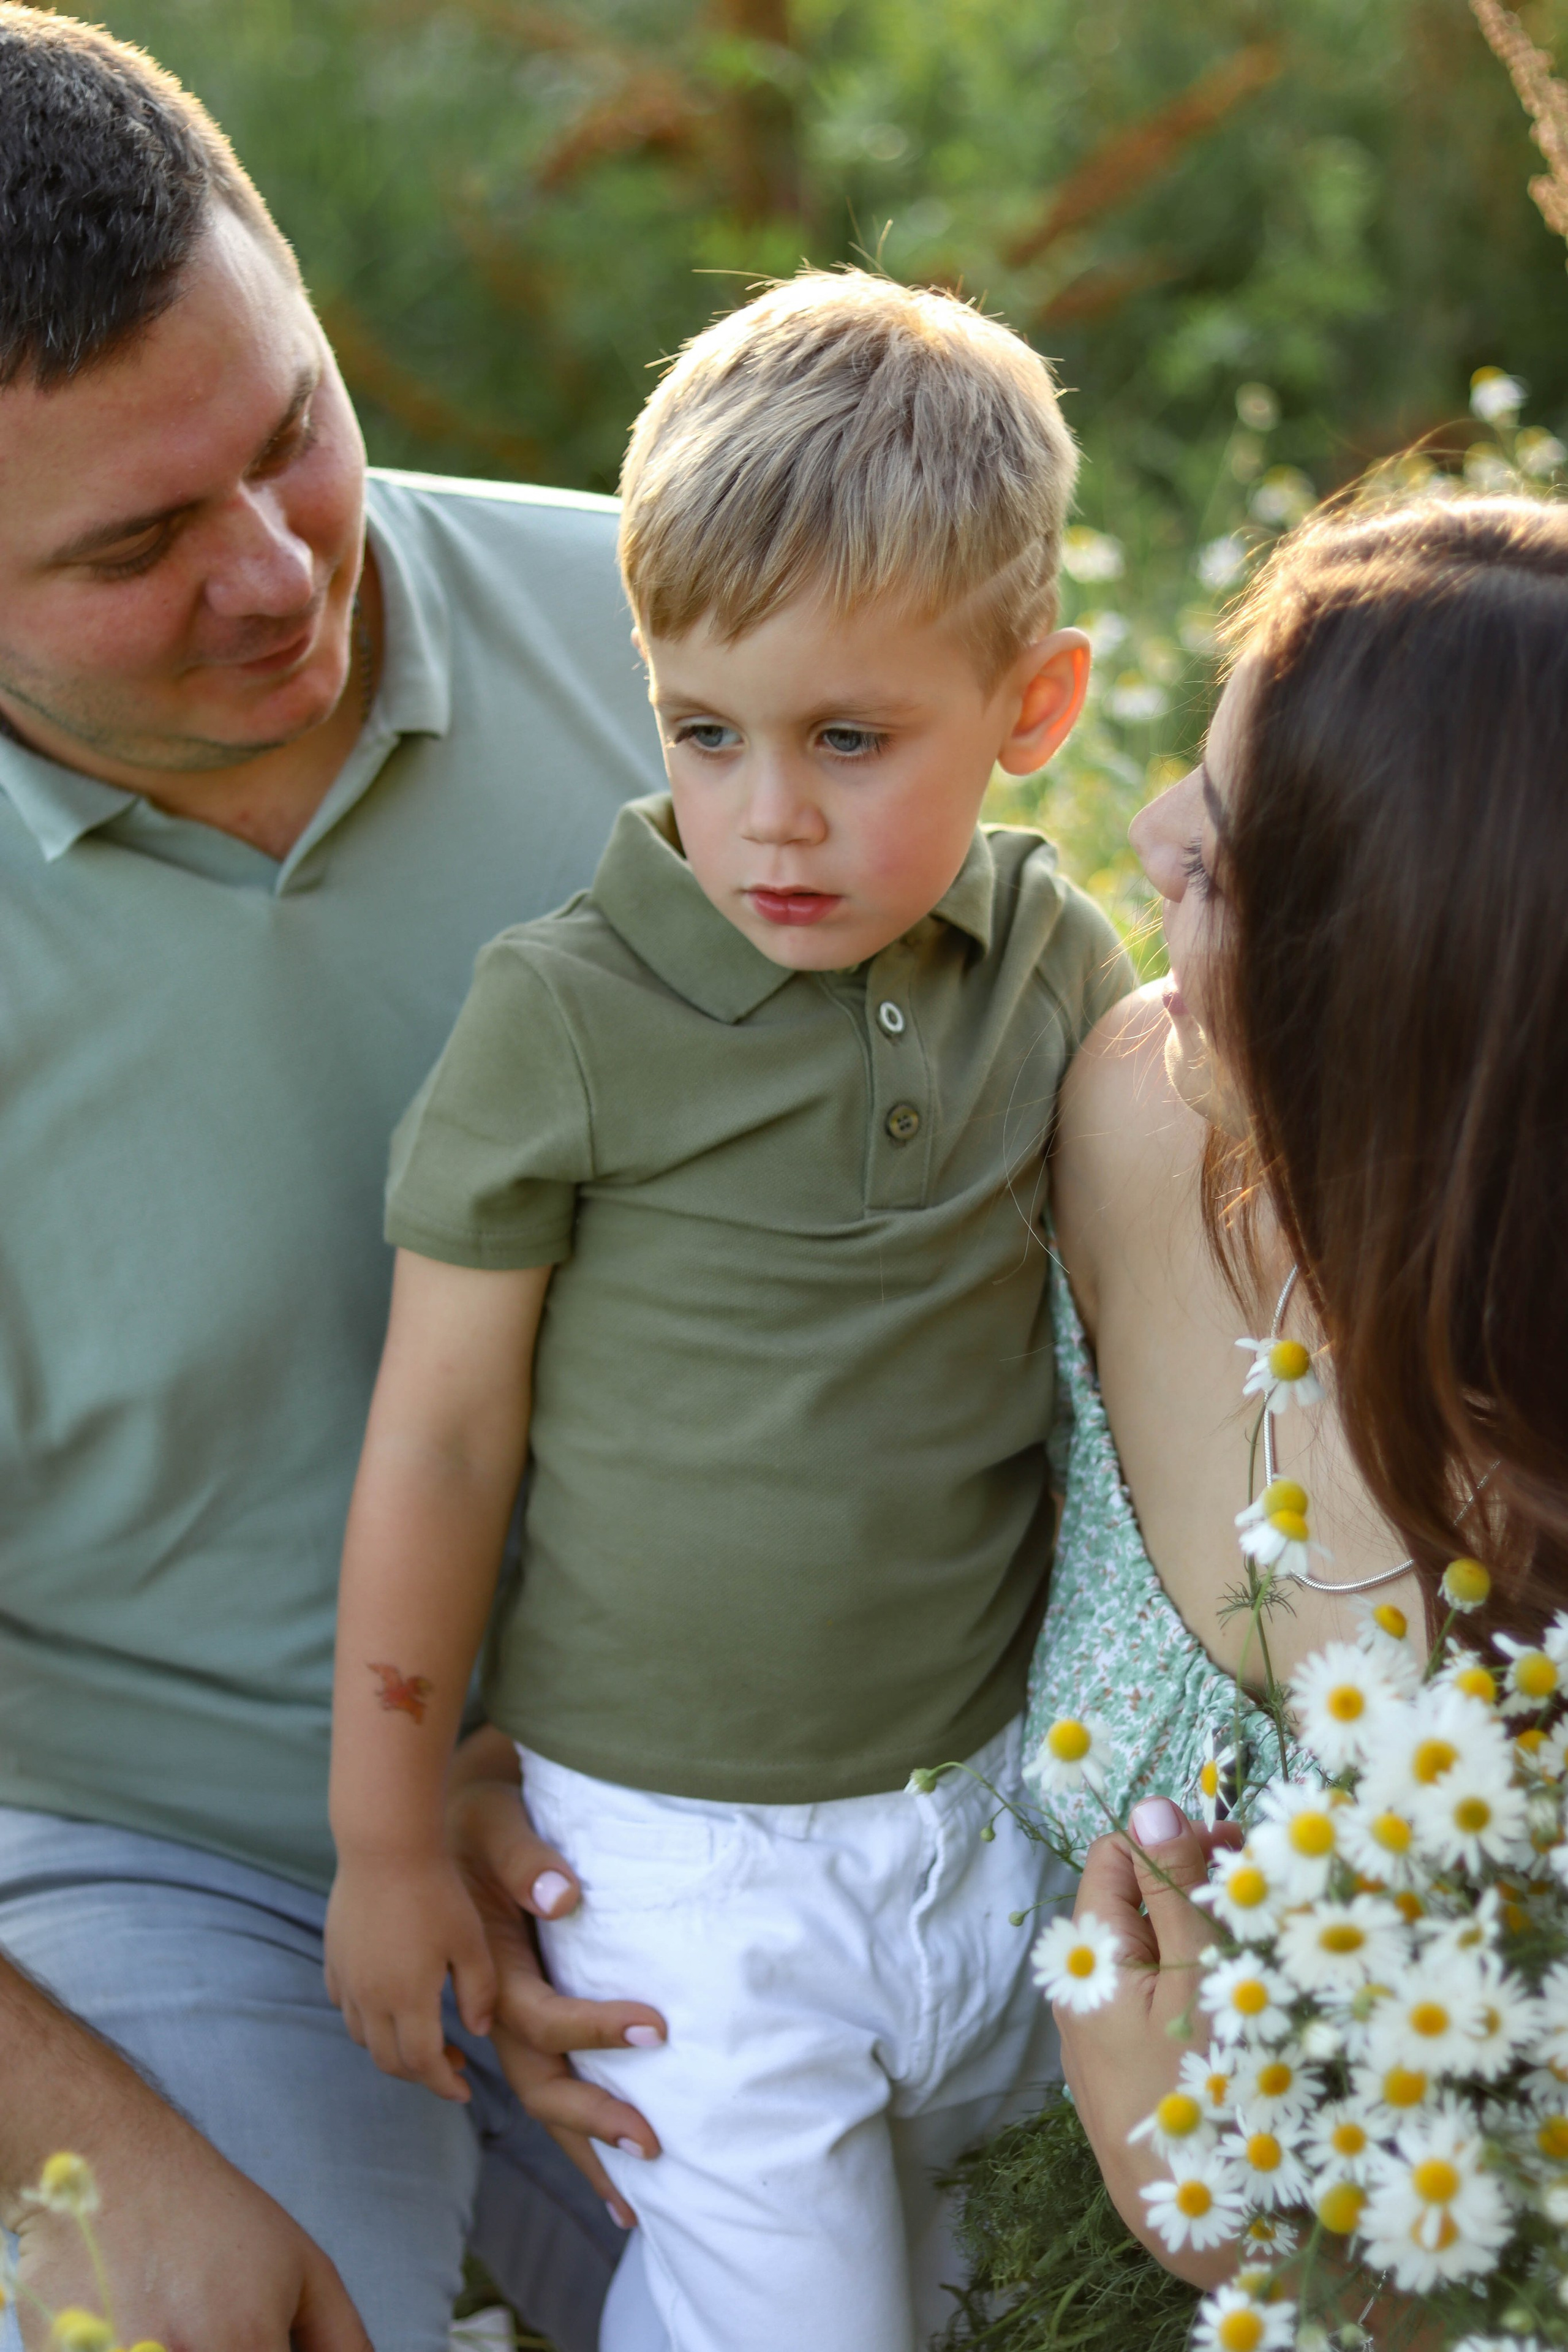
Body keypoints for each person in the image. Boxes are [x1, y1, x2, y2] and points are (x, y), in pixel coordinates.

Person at [323, 270, 1134, 2352]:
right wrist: (388, 1841)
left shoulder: (1052, 965)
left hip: (991, 1804)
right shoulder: (567, 1016)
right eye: (707, 730)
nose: (767, 812)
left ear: (1031, 710)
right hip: (678, 1862)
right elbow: (438, 1436)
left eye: (849, 741)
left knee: (996, 2294)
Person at [0, 11, 674, 2347]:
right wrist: (75, 2163)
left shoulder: (681, 646)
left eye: (290, 435)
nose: (280, 573)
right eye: (134, 548)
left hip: (733, 1773)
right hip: (170, 1876)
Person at [1022, 493, 1568, 2305]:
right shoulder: (1129, 1122)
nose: (1154, 827)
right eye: (1199, 768)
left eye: (1228, 861)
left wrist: (1229, 2225)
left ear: (1390, 1009)